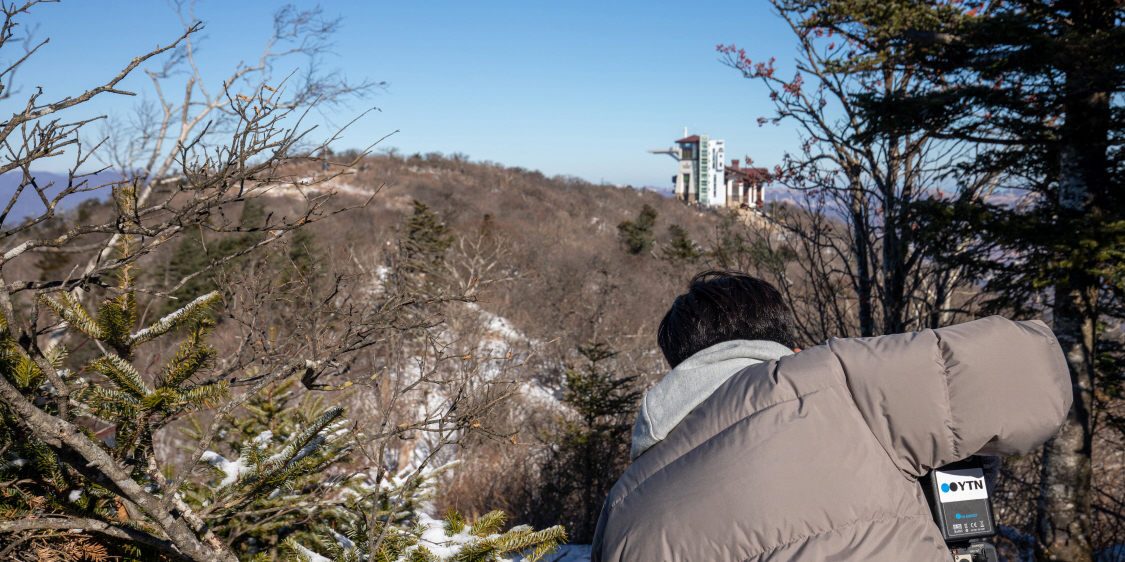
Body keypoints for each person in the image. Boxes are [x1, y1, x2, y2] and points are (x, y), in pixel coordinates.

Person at [591, 271, 1071, 562]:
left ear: (680, 367)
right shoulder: (843, 385)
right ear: (787, 346)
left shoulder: (621, 513)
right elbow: (1030, 370)